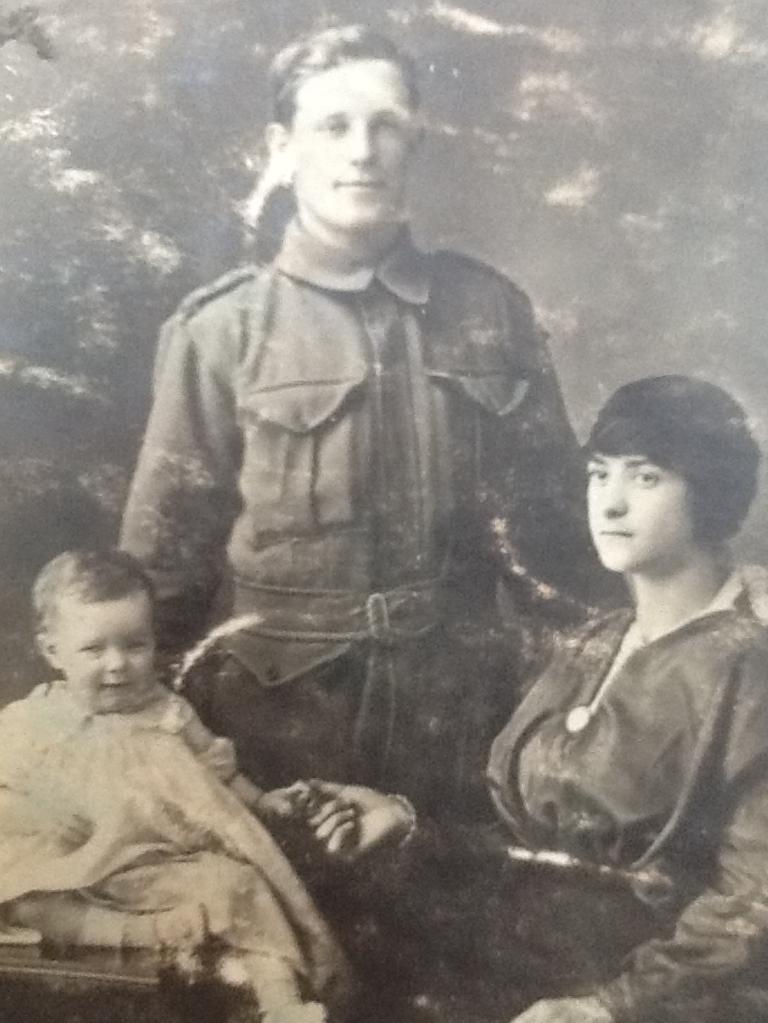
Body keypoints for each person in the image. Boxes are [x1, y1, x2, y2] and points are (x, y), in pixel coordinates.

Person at [119, 24, 593, 820]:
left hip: (462, 726)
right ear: (283, 146)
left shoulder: (489, 313)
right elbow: (159, 576)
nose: (362, 150)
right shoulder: (223, 329)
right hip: (274, 732)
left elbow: (565, 552)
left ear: (415, 142)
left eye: (385, 126)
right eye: (333, 126)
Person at [302, 376, 768, 1023]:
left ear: (711, 492)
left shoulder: (752, 664)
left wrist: (607, 1009)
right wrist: (409, 823)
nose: (609, 504)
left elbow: (752, 901)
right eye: (600, 475)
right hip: (513, 959)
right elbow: (538, 841)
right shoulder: (594, 640)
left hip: (647, 990)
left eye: (647, 478)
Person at [0, 550, 351, 1023]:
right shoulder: (29, 722)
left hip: (159, 866)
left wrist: (262, 801)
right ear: (51, 651)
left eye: (135, 645)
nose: (117, 664)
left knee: (239, 885)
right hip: (73, 868)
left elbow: (219, 774)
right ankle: (149, 933)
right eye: (94, 649)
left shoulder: (168, 714)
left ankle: (282, 1004)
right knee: (25, 896)